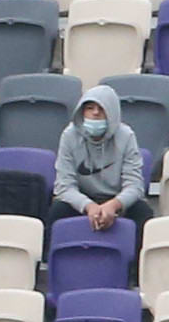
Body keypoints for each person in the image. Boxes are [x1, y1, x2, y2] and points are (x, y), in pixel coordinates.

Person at [52, 87, 145, 228]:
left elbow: (135, 185)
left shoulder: (126, 136)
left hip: (116, 198)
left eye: (102, 109)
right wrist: (88, 206)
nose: (95, 113)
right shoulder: (69, 135)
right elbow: (63, 186)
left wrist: (114, 205)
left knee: (142, 212)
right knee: (57, 211)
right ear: (82, 112)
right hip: (82, 198)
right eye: (90, 108)